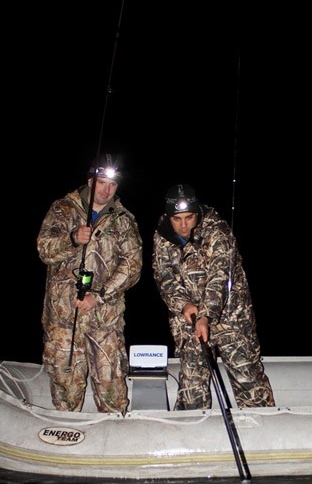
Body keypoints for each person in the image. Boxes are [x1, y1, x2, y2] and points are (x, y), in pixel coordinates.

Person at [152, 183, 275, 410]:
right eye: (177, 219)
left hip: (231, 317)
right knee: (192, 390)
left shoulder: (218, 231)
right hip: (189, 320)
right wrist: (185, 305)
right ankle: (194, 435)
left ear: (197, 211)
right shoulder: (162, 235)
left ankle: (262, 435)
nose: (183, 225)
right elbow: (164, 277)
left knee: (249, 381)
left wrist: (206, 316)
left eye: (189, 218)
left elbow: (219, 279)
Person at [37, 153, 143, 412]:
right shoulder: (62, 209)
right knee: (65, 389)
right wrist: (72, 239)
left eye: (113, 184)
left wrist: (100, 295)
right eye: (102, 182)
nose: (107, 190)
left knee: (112, 389)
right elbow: (44, 250)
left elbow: (132, 266)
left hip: (105, 320)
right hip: (64, 321)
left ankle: (115, 439)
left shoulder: (123, 219)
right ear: (90, 181)